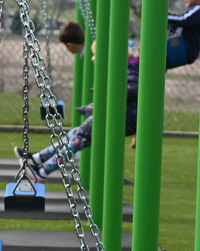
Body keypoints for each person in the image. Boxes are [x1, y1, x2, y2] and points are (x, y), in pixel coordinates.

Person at [16, 39, 139, 181]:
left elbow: (133, 90)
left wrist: (109, 90)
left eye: (95, 55)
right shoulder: (124, 69)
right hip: (115, 115)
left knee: (79, 140)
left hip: (121, 117)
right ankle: (39, 158)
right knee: (75, 134)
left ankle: (42, 172)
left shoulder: (129, 71)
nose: (93, 58)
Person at [167, 0, 200, 68]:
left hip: (186, 49)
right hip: (182, 46)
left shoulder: (199, 9)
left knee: (156, 59)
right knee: (159, 62)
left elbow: (182, 20)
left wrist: (163, 15)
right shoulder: (195, 10)